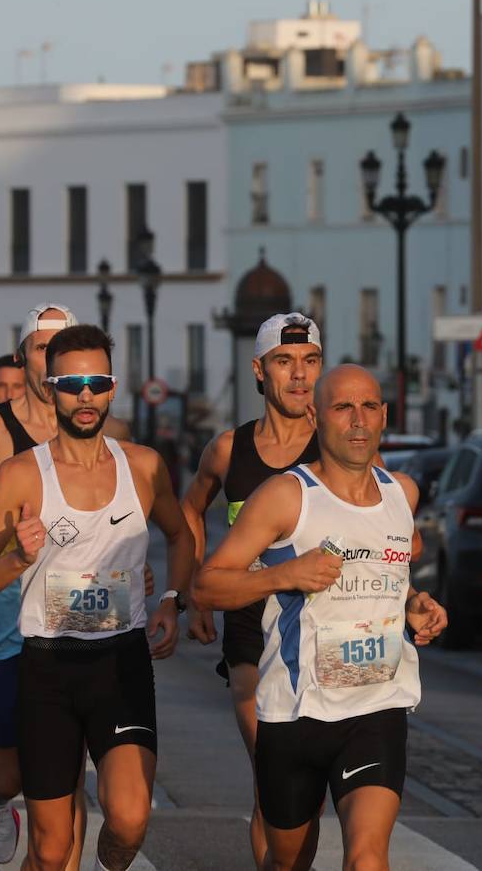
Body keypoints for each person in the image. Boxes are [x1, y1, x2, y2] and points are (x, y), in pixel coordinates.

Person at [193, 364, 448, 871]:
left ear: (384, 417)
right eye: (342, 407)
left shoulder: (402, 494)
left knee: (369, 859)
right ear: (315, 416)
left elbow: (393, 576)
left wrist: (415, 605)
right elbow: (208, 583)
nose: (358, 420)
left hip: (376, 705)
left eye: (369, 407)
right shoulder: (286, 496)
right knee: (288, 862)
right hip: (295, 714)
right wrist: (282, 576)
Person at [0, 324, 194, 871]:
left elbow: (181, 533)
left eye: (97, 381)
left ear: (112, 388)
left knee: (130, 818)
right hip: (47, 669)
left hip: (121, 663)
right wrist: (17, 559)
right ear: (50, 387)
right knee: (50, 849)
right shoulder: (21, 475)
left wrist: (174, 600)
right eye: (72, 383)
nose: (85, 395)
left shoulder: (143, 466)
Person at [0, 303, 137, 867]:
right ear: (25, 357)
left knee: (68, 780)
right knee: (15, 772)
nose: (53, 358)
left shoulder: (107, 431)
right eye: (42, 348)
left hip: (84, 626)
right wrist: (4, 525)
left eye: (63, 346)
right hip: (8, 624)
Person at [178, 312, 324, 866]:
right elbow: (190, 510)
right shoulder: (227, 450)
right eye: (285, 363)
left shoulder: (337, 446)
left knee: (298, 798)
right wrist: (194, 588)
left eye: (310, 362)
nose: (299, 376)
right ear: (260, 371)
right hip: (248, 624)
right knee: (272, 772)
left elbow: (385, 517)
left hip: (319, 630)